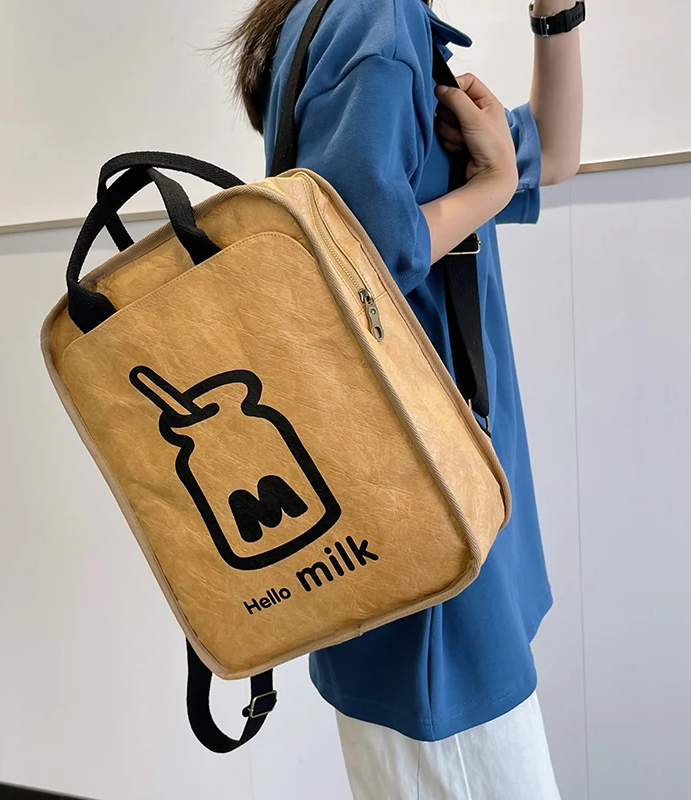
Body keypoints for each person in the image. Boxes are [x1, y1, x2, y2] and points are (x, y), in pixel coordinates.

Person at [224, 0, 583, 796]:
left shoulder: (373, 25)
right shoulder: (374, 23)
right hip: (430, 530)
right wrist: (492, 183)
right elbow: (358, 261)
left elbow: (554, 154)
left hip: (426, 517)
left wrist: (555, 14)